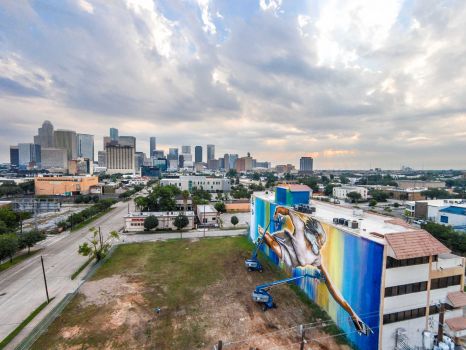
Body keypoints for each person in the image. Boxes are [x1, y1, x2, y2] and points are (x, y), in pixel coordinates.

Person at [258, 206, 371, 336]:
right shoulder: (300, 227)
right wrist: (277, 213)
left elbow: (330, 285)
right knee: (271, 243)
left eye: (322, 242)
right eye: (319, 240)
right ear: (314, 235)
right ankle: (263, 234)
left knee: (274, 245)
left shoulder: (317, 258)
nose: (320, 244)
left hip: (290, 258)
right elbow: (284, 210)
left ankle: (264, 235)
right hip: (282, 246)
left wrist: (351, 311)